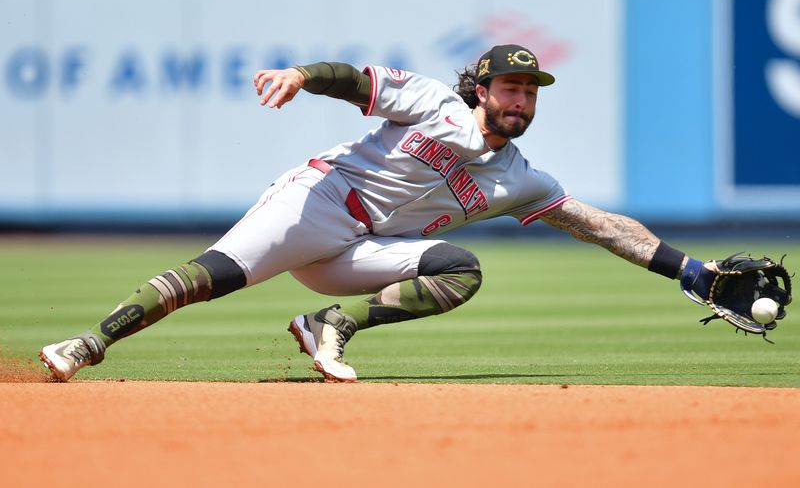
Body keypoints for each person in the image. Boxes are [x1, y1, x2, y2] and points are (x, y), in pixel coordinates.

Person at [39, 44, 717, 383]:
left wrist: (693, 271)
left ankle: (328, 326)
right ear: (481, 88)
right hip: (322, 200)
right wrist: (303, 75)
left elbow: (603, 226)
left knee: (460, 270)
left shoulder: (521, 180)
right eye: (509, 86)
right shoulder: (432, 102)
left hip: (360, 254)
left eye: (530, 90)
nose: (520, 98)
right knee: (213, 273)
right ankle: (88, 342)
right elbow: (357, 83)